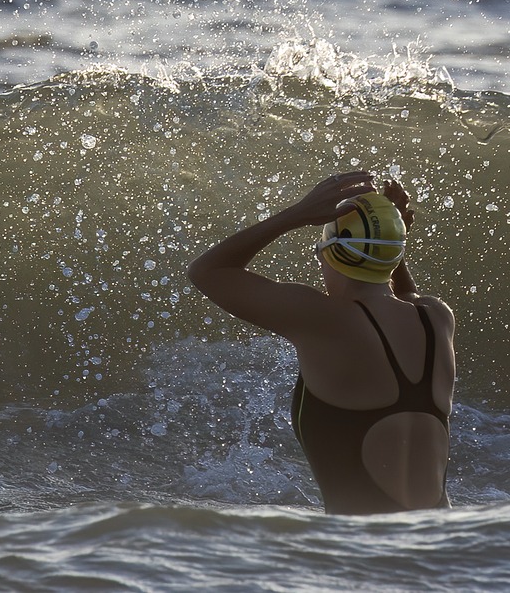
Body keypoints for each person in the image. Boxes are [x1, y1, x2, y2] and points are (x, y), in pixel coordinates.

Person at [187, 171, 456, 515]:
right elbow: (403, 292)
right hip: (442, 545)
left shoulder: (324, 319)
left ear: (333, 254)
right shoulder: (435, 318)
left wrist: (297, 214)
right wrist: (390, 239)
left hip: (367, 552)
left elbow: (206, 271)